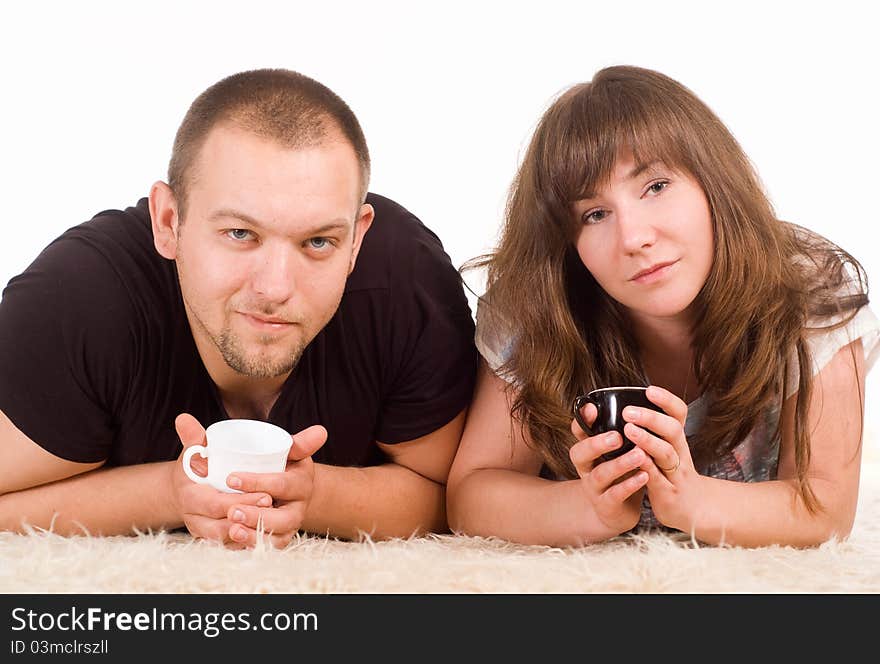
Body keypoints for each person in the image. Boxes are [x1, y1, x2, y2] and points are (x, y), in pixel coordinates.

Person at [0, 69, 478, 548]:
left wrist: (313, 494)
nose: (274, 287)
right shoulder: (81, 301)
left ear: (357, 241)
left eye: (318, 241)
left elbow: (452, 496)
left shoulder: (407, 287)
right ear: (168, 221)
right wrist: (169, 491)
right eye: (239, 234)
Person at [447, 65, 879, 548]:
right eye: (594, 214)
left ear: (714, 181)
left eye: (655, 187)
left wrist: (691, 501)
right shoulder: (538, 302)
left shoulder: (806, 284)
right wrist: (589, 508)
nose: (633, 238)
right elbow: (474, 492)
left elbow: (825, 505)